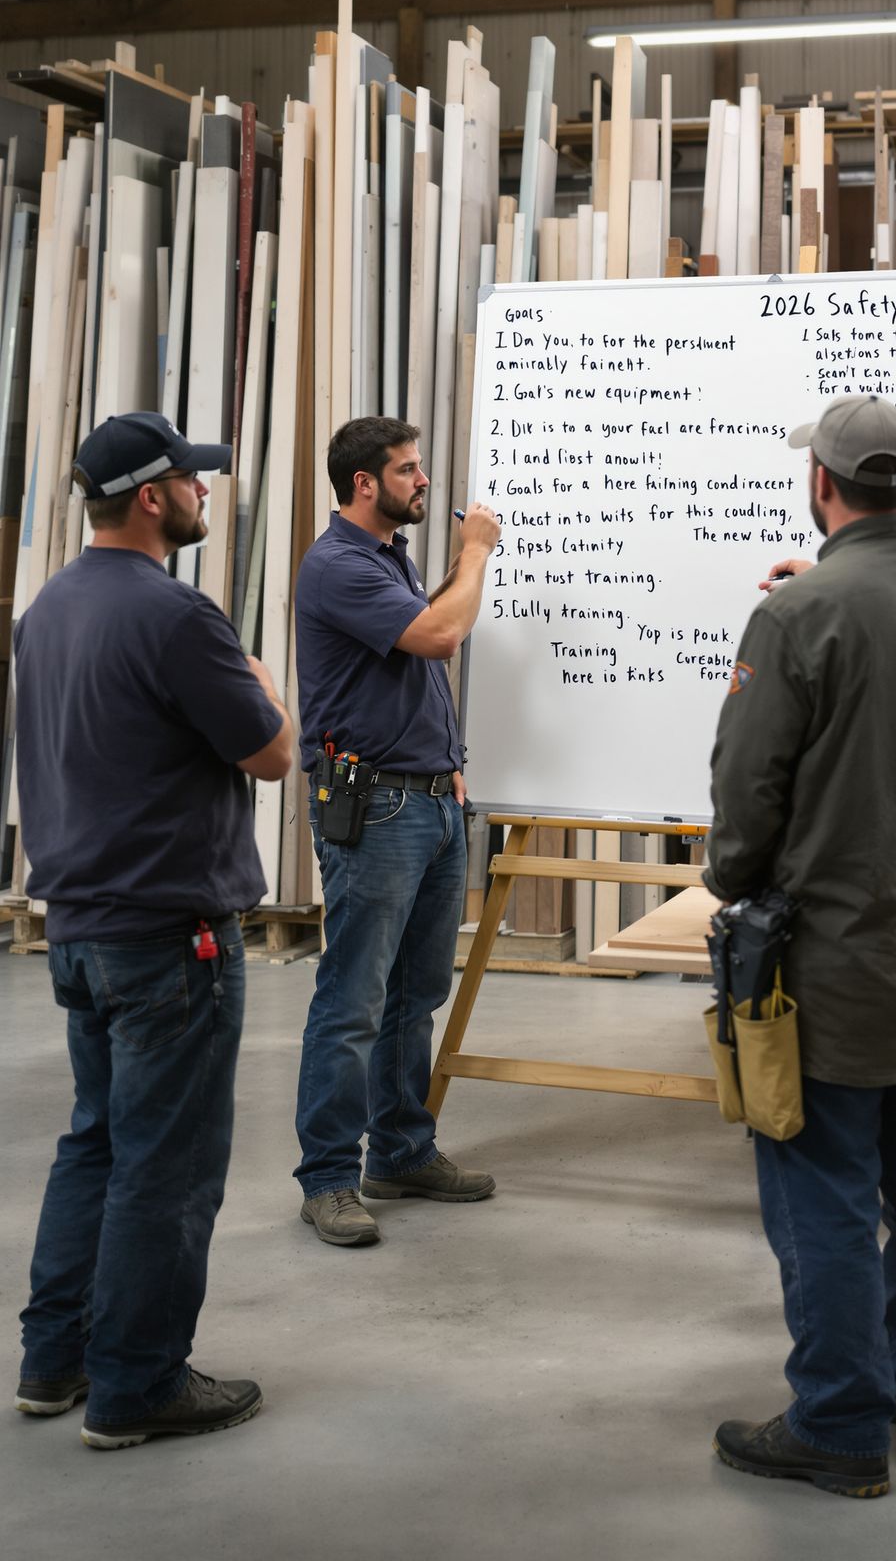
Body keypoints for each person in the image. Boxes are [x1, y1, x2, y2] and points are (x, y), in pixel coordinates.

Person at [704, 394, 896, 1501]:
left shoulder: (799, 617)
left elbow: (748, 793)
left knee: (824, 1193)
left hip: (833, 965)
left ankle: (837, 1426)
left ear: (823, 486)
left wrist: (732, 884)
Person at [13, 411, 294, 1450]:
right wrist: (265, 683)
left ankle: (55, 1362)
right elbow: (269, 753)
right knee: (165, 1163)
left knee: (95, 1141)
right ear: (150, 498)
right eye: (191, 481)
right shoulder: (178, 617)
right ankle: (138, 1384)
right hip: (172, 934)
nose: (205, 494)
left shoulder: (47, 609)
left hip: (82, 925)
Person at [293, 416, 501, 1246]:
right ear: (365, 485)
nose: (424, 481)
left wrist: (442, 759)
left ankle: (402, 1151)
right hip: (376, 808)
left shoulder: (387, 556)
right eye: (409, 471)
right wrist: (479, 550)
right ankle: (329, 1180)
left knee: (416, 995)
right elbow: (441, 635)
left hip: (427, 799)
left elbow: (418, 646)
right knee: (353, 1001)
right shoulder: (338, 564)